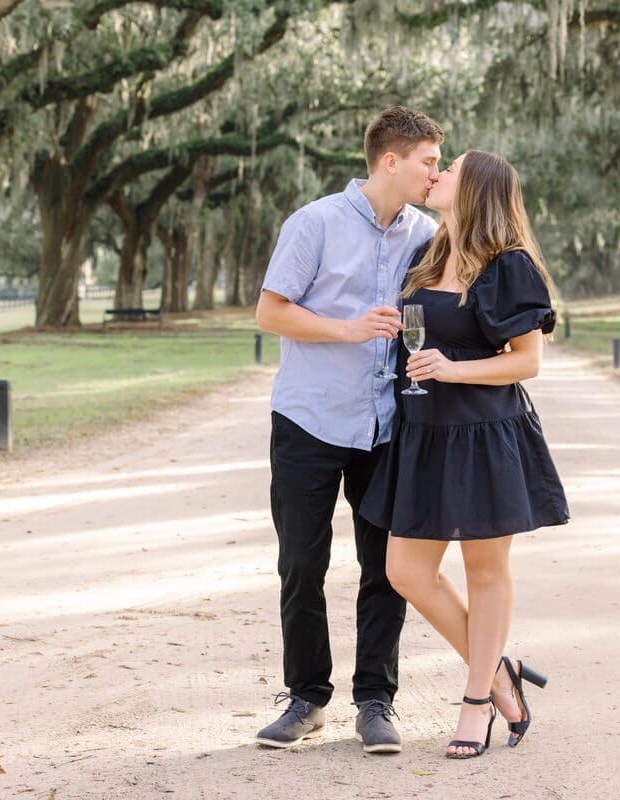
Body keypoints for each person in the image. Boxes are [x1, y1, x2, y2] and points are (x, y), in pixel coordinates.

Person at [360, 150, 570, 759]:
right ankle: (502, 673)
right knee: (406, 570)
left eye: (447, 168)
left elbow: (527, 361)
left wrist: (453, 370)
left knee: (484, 571)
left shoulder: (508, 266)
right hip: (422, 434)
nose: (437, 175)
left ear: (474, 188)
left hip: (483, 436)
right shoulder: (428, 253)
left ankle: (476, 699)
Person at [252, 107, 443, 754]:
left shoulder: (427, 233)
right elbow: (270, 312)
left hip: (389, 427)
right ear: (391, 160)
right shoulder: (314, 223)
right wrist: (348, 328)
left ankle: (375, 702)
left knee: (387, 567)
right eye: (428, 161)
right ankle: (306, 698)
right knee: (302, 562)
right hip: (309, 419)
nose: (434, 173)